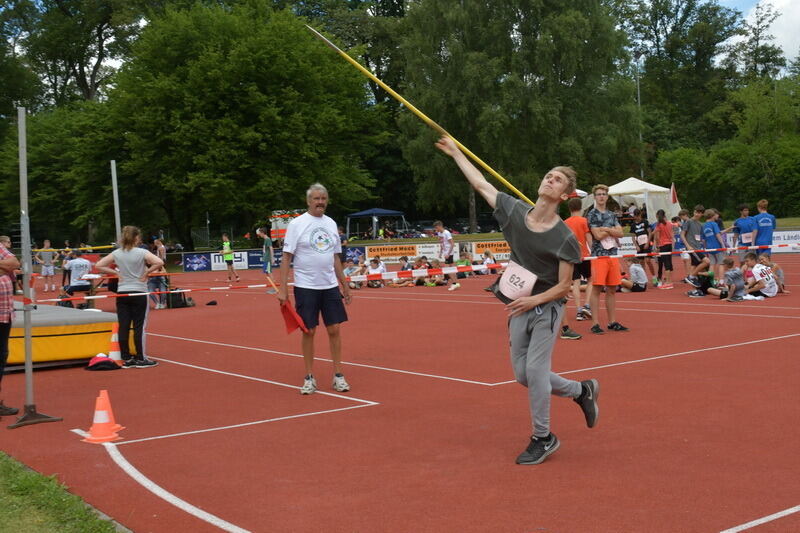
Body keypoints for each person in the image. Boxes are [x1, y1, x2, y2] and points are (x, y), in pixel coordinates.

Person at [436, 135, 599, 466]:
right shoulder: (513, 211)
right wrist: (456, 153)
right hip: (519, 303)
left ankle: (543, 437)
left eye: (557, 180)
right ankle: (581, 391)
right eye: (548, 175)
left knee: (537, 371)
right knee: (523, 376)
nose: (549, 179)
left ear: (565, 194)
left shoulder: (565, 237)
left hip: (547, 307)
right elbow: (481, 184)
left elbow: (566, 287)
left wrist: (535, 300)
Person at [278, 183, 352, 395]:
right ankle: (309, 377)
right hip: (306, 286)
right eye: (316, 199)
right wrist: (282, 289)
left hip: (329, 286)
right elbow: (286, 257)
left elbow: (335, 256)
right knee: (309, 331)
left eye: (323, 198)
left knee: (334, 330)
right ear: (308, 201)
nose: (320, 202)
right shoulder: (297, 224)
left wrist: (344, 285)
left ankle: (338, 375)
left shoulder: (330, 223)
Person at [95, 226, 164, 368]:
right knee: (139, 326)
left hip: (123, 293)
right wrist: (146, 273)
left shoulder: (117, 253)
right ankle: (141, 358)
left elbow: (99, 265)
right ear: (136, 238)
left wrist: (116, 273)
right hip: (139, 292)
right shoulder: (142, 252)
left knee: (124, 325)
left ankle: (126, 358)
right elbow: (159, 262)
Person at [587, 184, 628, 334]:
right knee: (597, 288)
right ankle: (595, 323)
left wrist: (606, 229)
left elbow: (621, 233)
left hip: (613, 255)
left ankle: (612, 322)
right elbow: (597, 236)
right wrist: (612, 231)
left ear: (607, 196)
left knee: (612, 289)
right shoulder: (591, 214)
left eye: (604, 194)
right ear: (595, 197)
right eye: (599, 194)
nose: (602, 196)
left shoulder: (612, 214)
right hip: (599, 256)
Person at [0, 237, 20, 416]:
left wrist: (6, 265)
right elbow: (8, 264)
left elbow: (14, 262)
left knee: (2, 356)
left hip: (5, 312)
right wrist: (2, 265)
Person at [564, 198, 592, 321]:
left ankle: (579, 310)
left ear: (569, 209)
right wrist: (594, 252)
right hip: (584, 255)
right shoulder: (584, 221)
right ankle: (587, 305)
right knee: (591, 280)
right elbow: (589, 239)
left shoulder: (565, 223)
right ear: (581, 208)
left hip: (571, 256)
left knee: (576, 282)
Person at [680, 205, 710, 286]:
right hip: (691, 247)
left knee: (695, 264)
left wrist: (704, 246)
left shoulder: (700, 225)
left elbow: (699, 237)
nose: (697, 214)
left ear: (702, 214)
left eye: (699, 213)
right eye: (696, 212)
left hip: (697, 247)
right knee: (707, 262)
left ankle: (692, 281)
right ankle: (692, 276)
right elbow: (682, 235)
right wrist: (688, 246)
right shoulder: (688, 222)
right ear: (693, 212)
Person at [629, 209, 657, 286]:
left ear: (640, 215)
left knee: (648, 260)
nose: (637, 218)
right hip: (639, 245)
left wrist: (648, 243)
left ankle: (654, 277)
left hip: (646, 244)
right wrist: (636, 246)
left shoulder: (645, 222)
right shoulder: (633, 225)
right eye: (636, 216)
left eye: (638, 216)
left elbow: (650, 233)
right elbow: (633, 237)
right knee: (641, 263)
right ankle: (643, 279)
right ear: (634, 216)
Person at [434, 220, 460, 291]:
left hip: (449, 253)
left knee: (447, 269)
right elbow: (441, 243)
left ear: (440, 226)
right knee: (451, 269)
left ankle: (455, 283)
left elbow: (452, 243)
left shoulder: (447, 233)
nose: (436, 230)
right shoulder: (439, 233)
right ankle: (456, 283)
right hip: (445, 253)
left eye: (436, 228)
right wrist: (440, 252)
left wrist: (448, 254)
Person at [653, 210, 674, 289]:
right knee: (669, 263)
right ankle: (670, 281)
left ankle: (668, 283)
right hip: (669, 244)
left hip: (663, 245)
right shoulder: (669, 223)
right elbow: (672, 235)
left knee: (666, 264)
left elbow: (657, 237)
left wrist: (657, 247)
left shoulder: (659, 225)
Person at [702, 209, 725, 282]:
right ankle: (721, 281)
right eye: (715, 215)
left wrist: (705, 248)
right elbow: (718, 235)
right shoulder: (714, 224)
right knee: (721, 263)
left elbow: (703, 239)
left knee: (712, 264)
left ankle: (710, 281)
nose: (716, 216)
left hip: (709, 247)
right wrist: (723, 244)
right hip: (717, 246)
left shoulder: (703, 225)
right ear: (712, 216)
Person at [147, 238, 168, 309]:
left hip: (160, 273)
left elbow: (162, 257)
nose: (154, 243)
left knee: (163, 290)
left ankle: (162, 303)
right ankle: (158, 303)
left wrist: (160, 264)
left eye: (155, 242)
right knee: (150, 290)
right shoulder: (148, 265)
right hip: (153, 279)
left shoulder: (161, 248)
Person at [256, 227, 276, 294]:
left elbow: (271, 248)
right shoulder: (265, 240)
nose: (259, 235)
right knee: (267, 273)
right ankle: (273, 286)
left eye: (260, 233)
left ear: (262, 233)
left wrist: (272, 258)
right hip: (265, 259)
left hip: (267, 259)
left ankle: (274, 288)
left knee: (269, 272)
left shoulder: (267, 239)